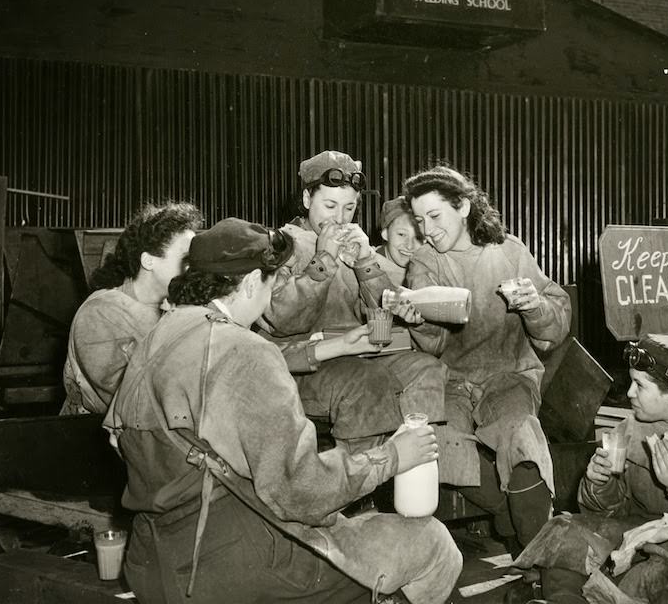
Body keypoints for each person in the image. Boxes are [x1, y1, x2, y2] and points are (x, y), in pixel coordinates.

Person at [104, 218, 462, 604]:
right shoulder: (245, 350)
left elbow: (119, 439)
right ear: (250, 282)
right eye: (272, 283)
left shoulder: (156, 337)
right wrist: (391, 456)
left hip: (151, 560)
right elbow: (300, 493)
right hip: (230, 566)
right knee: (431, 541)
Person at [509, 334, 668, 604]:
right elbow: (611, 513)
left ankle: (581, 594)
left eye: (640, 385)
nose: (629, 393)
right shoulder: (635, 427)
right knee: (564, 531)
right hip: (646, 533)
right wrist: (600, 485)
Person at [402, 165, 572, 557]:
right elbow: (433, 345)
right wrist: (419, 322)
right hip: (451, 380)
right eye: (419, 220)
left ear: (462, 206)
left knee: (522, 437)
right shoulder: (426, 261)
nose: (427, 231)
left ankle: (538, 560)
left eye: (435, 216)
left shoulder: (509, 251)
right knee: (438, 444)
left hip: (508, 375)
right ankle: (510, 517)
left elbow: (554, 329)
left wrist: (535, 306)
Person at [259, 150, 445, 448]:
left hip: (356, 354)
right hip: (303, 366)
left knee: (427, 369)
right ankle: (361, 469)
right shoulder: (280, 245)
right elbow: (283, 320)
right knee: (367, 380)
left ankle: (417, 459)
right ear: (307, 199)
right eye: (329, 205)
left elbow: (384, 314)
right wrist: (324, 258)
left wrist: (366, 262)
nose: (339, 218)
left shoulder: (354, 244)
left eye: (349, 208)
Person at [60, 201, 203, 415]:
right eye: (186, 260)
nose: (194, 270)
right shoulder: (100, 313)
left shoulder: (175, 308)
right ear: (149, 261)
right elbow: (130, 400)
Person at [375, 195, 422, 288]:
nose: (409, 246)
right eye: (401, 234)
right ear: (385, 234)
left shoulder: (429, 268)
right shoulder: (367, 263)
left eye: (418, 237)